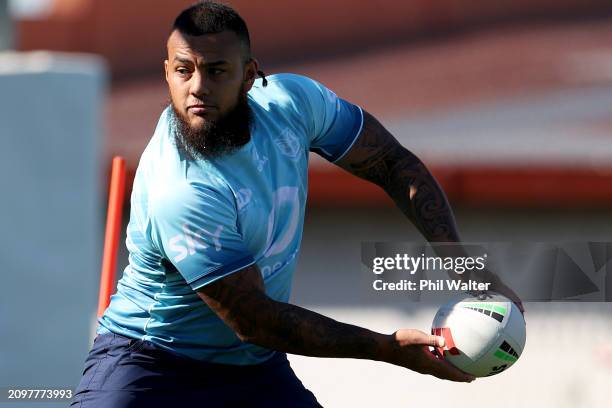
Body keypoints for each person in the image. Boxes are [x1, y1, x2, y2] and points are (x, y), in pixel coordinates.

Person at [71, 1, 523, 407]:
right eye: (184, 70)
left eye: (216, 71)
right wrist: (385, 348)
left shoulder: (292, 103)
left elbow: (390, 161)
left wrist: (464, 265)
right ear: (166, 72)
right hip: (152, 366)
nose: (197, 88)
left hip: (252, 368)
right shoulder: (182, 187)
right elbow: (255, 320)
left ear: (250, 76)